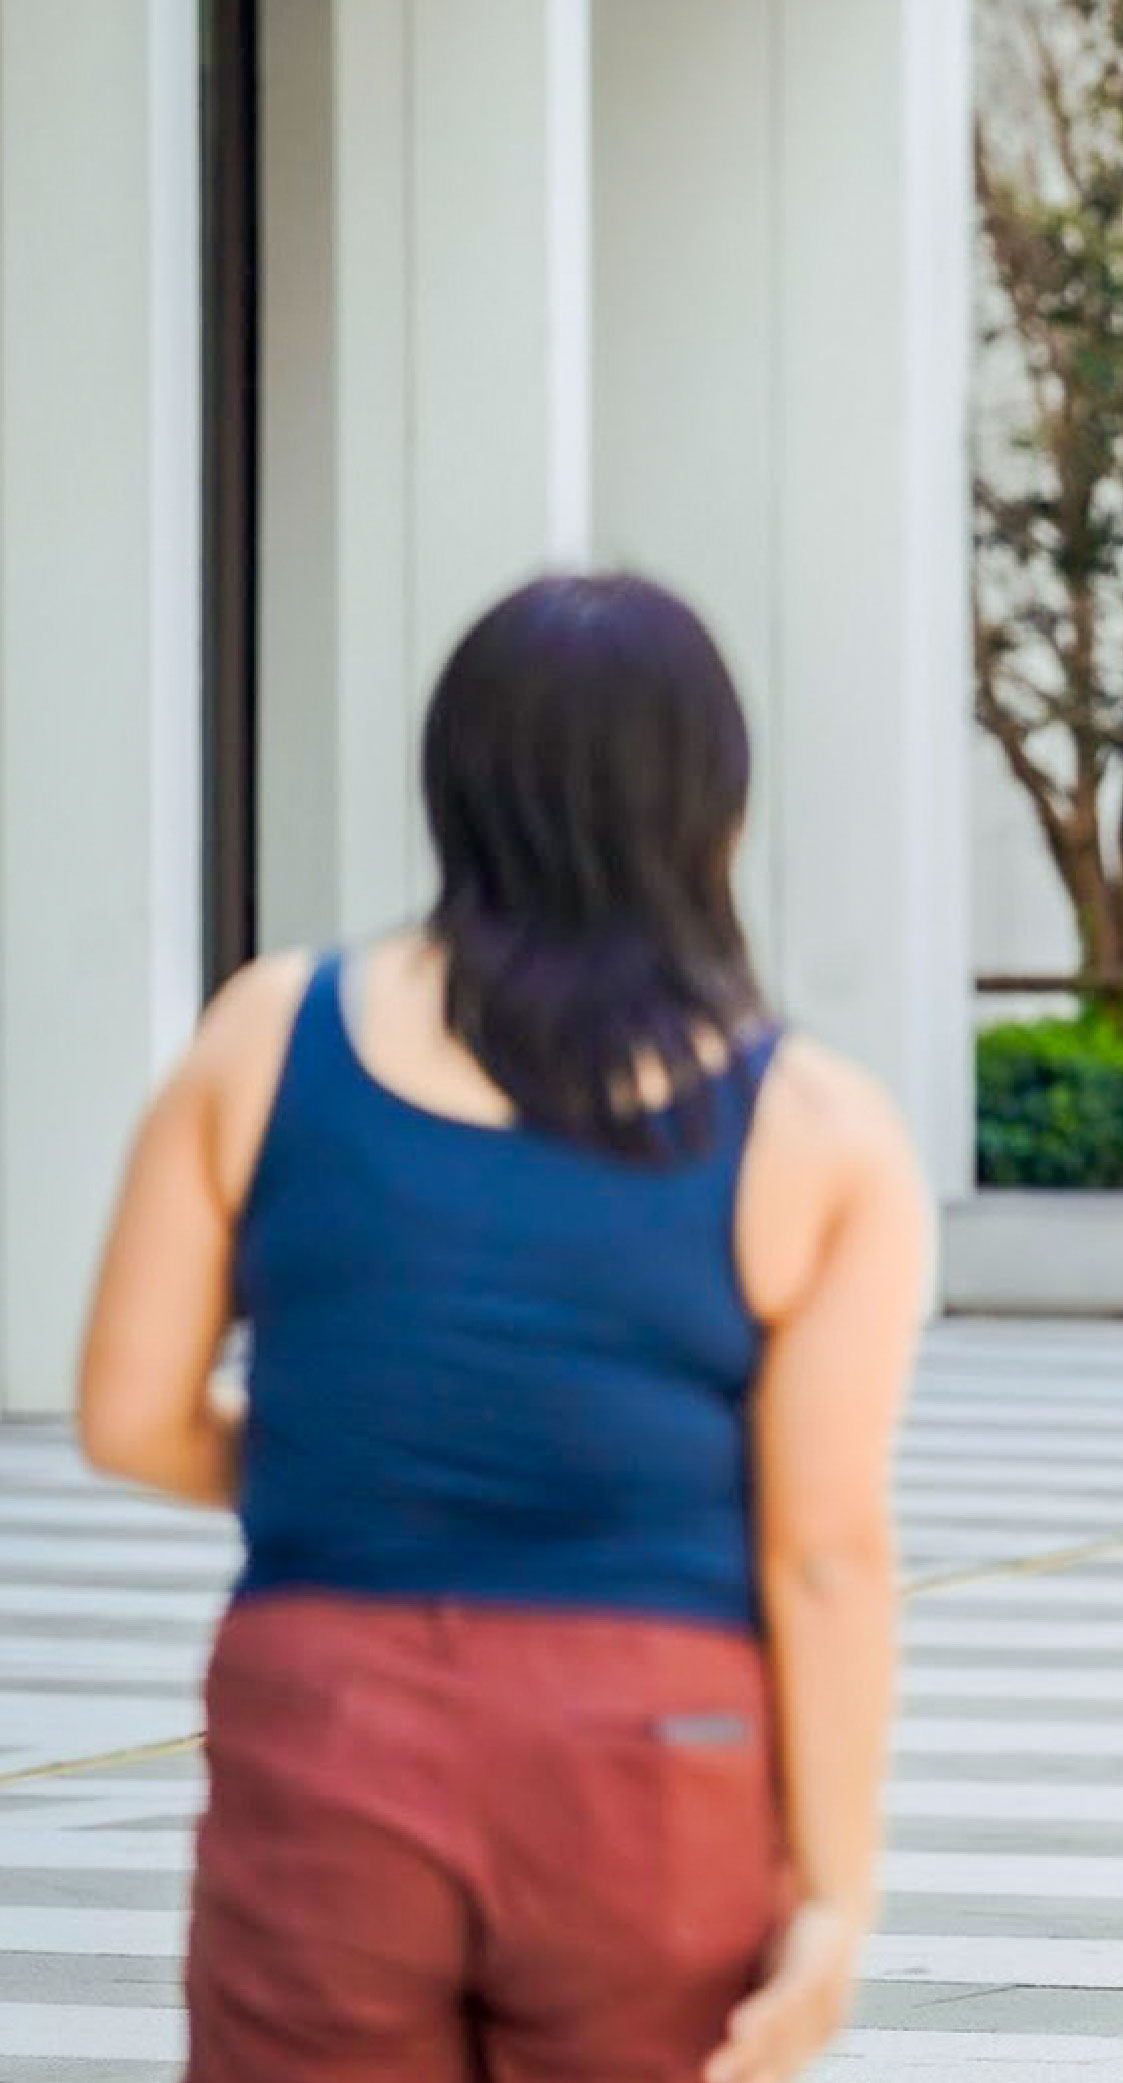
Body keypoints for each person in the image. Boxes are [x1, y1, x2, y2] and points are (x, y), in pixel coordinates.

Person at [75, 573, 929, 2083]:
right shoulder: (816, 1126)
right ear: (713, 802)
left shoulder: (268, 1033)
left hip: (326, 1713)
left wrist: (362, 1469)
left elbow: (131, 1411)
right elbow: (820, 1549)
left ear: (450, 781)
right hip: (652, 1749)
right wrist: (834, 1894)